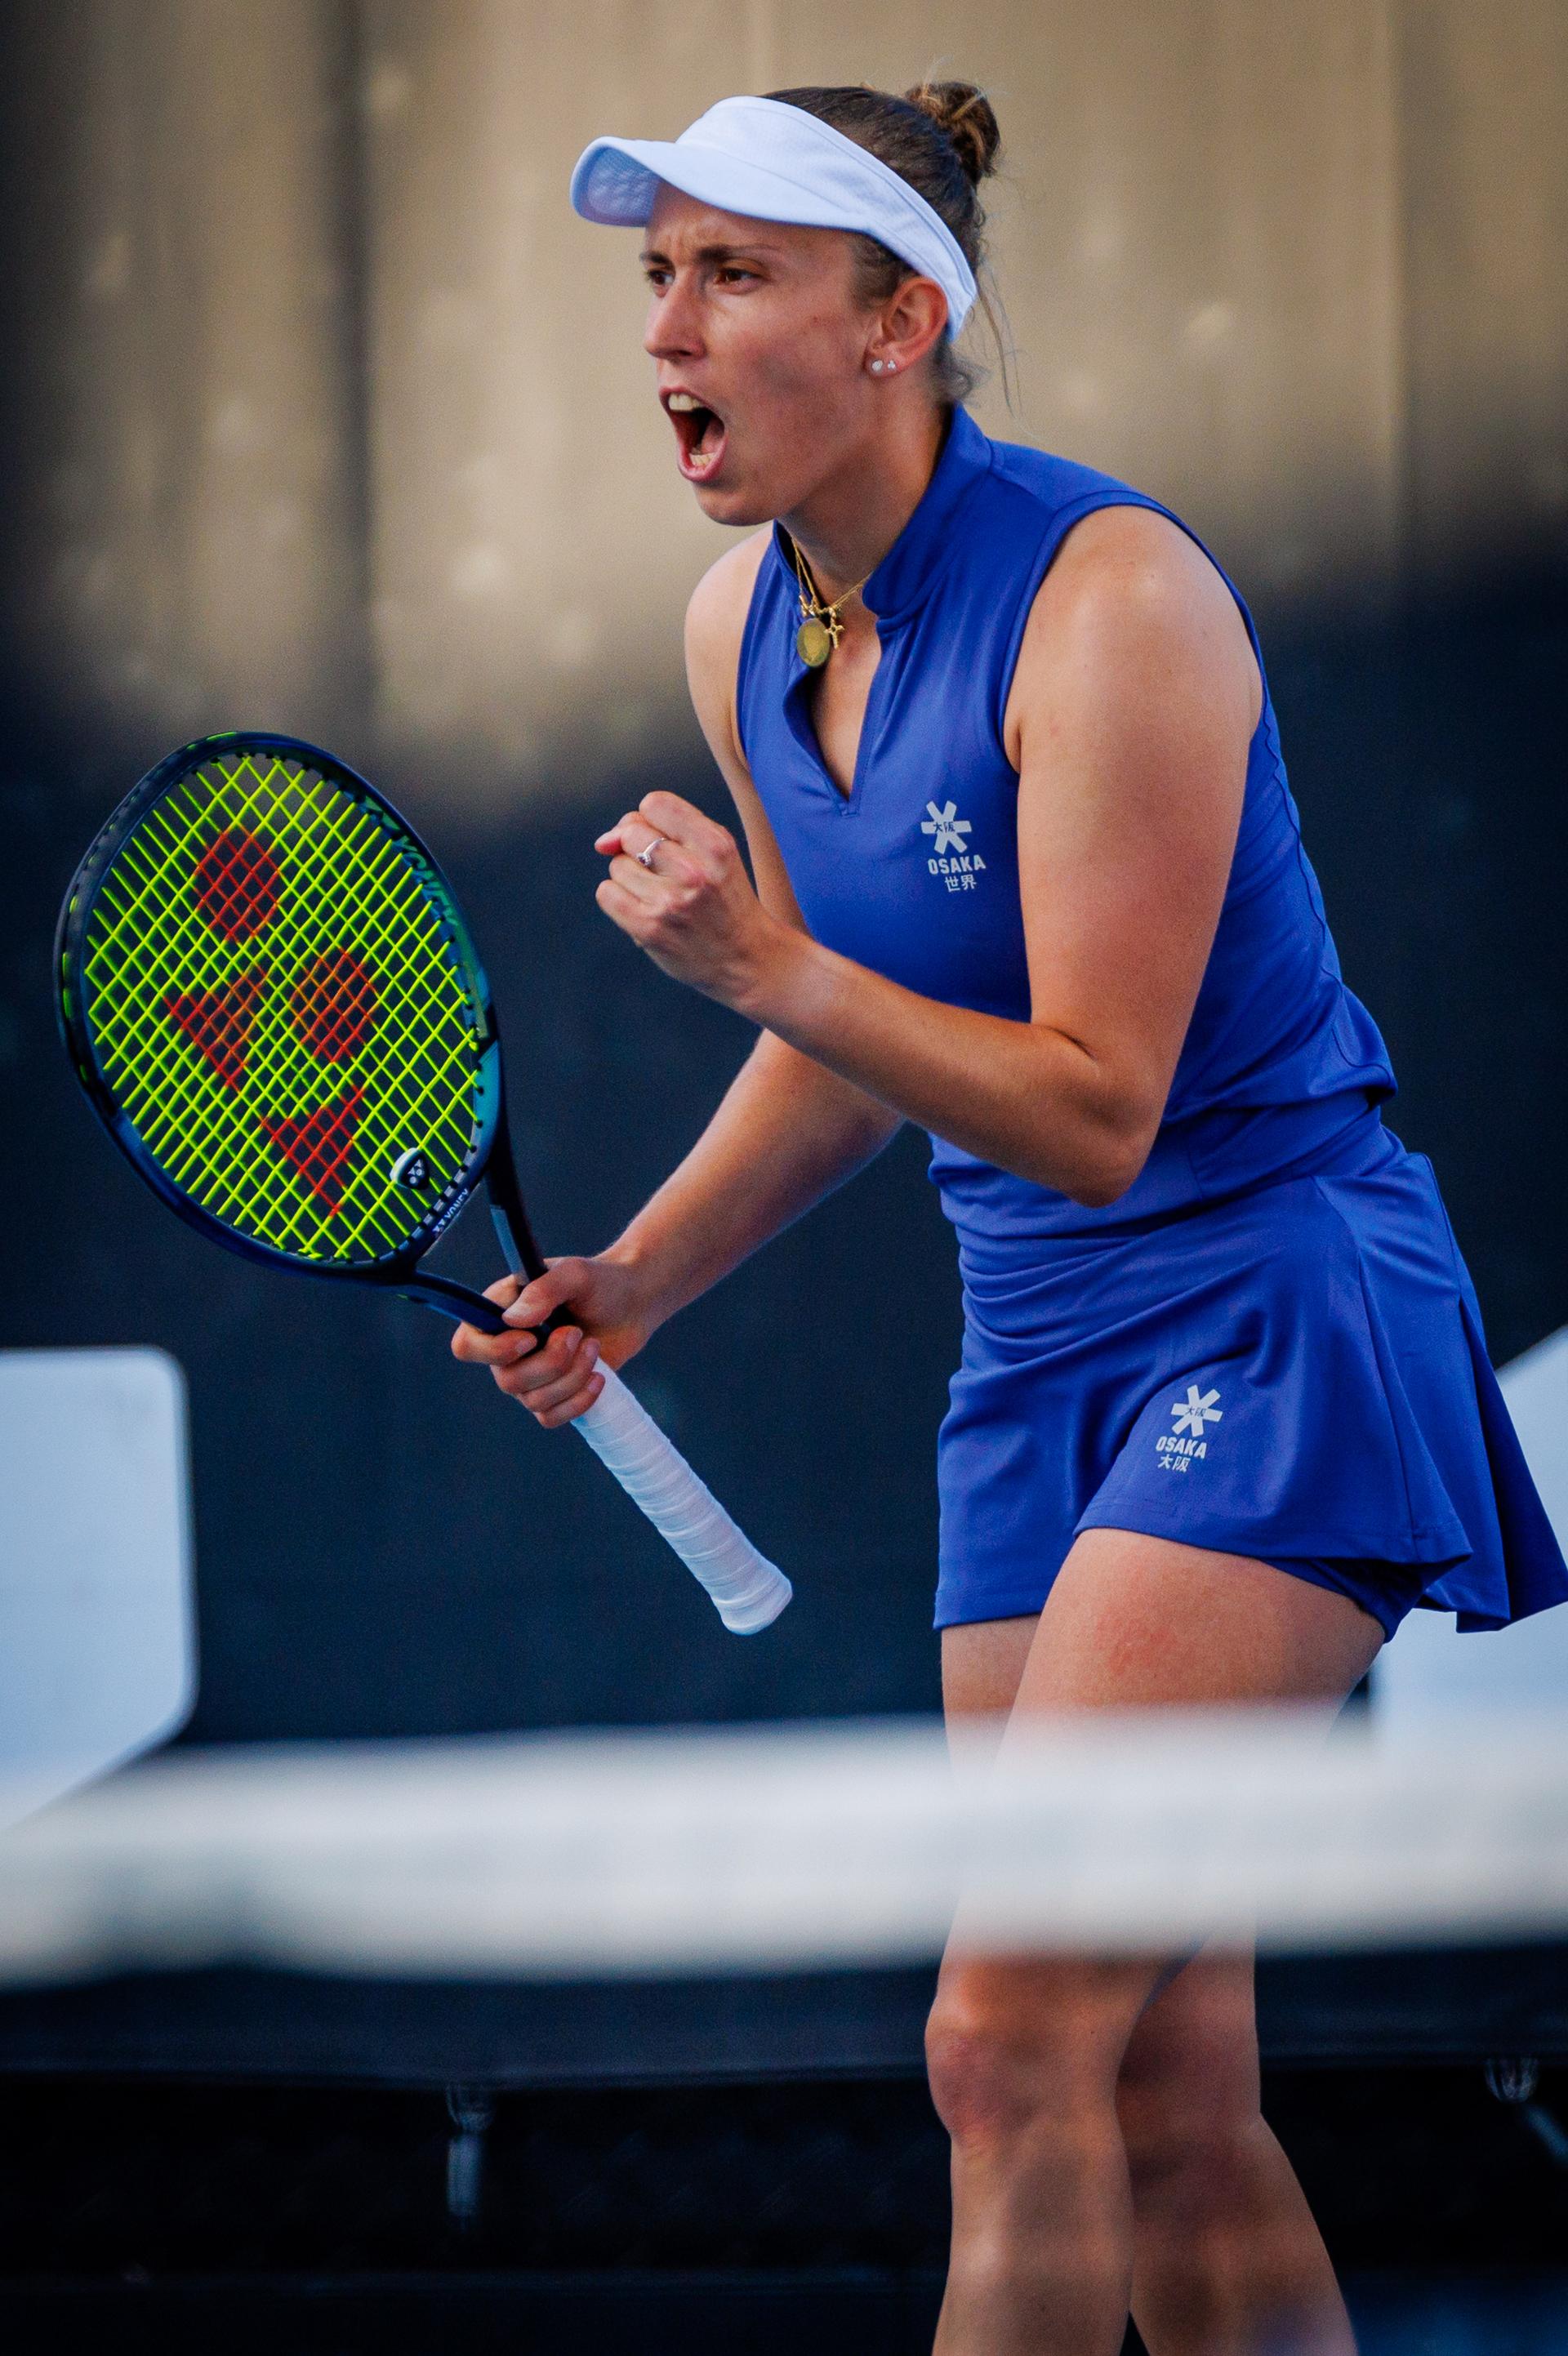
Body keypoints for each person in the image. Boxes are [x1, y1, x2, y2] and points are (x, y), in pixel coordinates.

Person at [452, 81, 1568, 2355]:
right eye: (652, 272)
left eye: (731, 272)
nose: (665, 324)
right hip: (1036, 1363)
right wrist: (644, 1274)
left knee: (1000, 2040)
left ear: (899, 323)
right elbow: (868, 1039)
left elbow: (1088, 1105)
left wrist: (765, 959)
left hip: (1273, 1316)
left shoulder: (1114, 601)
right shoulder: (735, 629)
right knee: (1162, 2084)